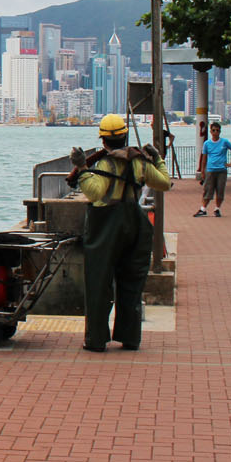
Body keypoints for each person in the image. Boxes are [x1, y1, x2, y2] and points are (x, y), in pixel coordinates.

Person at [67, 114, 171, 353]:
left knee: (99, 283)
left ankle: (96, 340)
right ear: (125, 136)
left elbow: (94, 193)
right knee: (132, 282)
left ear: (103, 141)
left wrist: (82, 168)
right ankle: (130, 337)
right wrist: (157, 159)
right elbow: (165, 183)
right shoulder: (140, 162)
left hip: (106, 226)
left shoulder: (105, 164)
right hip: (136, 223)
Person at [196, 121, 231, 217]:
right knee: (207, 190)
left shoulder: (225, 142)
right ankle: (203, 209)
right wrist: (202, 171)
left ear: (220, 132)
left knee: (220, 191)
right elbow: (204, 158)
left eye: (217, 130)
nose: (215, 132)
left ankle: (217, 209)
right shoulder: (207, 143)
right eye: (213, 130)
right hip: (210, 170)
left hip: (221, 170)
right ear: (210, 131)